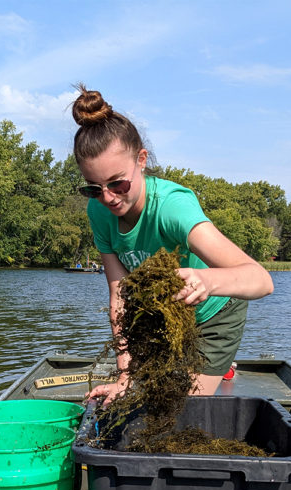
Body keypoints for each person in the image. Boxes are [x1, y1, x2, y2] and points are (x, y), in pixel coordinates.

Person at [71, 86, 274, 402]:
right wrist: (124, 377)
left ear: (141, 160)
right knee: (143, 392)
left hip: (215, 312)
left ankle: (218, 361)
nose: (108, 198)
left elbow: (261, 280)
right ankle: (217, 368)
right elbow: (119, 293)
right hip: (167, 313)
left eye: (118, 183)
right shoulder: (99, 211)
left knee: (179, 407)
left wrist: (207, 279)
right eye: (94, 189)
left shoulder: (172, 207)